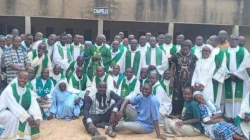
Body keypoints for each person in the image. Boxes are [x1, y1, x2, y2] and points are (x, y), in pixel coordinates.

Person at [0, 71, 42, 140]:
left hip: (16, 112)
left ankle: (23, 137)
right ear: (17, 78)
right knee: (17, 117)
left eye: (25, 78)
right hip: (3, 113)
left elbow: (34, 105)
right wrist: (27, 117)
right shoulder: (9, 89)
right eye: (20, 78)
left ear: (28, 80)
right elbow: (13, 106)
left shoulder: (28, 91)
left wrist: (37, 118)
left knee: (29, 117)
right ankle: (8, 138)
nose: (22, 80)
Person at [224, 34, 249, 119]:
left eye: (235, 39)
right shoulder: (224, 51)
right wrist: (229, 75)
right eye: (232, 39)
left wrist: (237, 74)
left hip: (240, 79)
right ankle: (229, 116)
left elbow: (245, 64)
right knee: (228, 97)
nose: (233, 41)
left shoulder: (244, 51)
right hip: (228, 78)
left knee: (239, 98)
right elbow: (223, 65)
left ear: (237, 41)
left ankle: (238, 117)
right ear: (229, 41)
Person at [170, 40, 198, 115]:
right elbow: (172, 68)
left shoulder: (193, 57)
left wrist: (194, 81)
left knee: (187, 96)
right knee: (177, 97)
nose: (185, 51)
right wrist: (171, 81)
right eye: (183, 49)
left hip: (189, 80)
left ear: (189, 49)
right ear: (181, 48)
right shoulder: (175, 56)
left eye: (187, 49)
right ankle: (176, 113)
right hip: (177, 80)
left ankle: (186, 114)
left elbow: (196, 70)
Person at [207, 36, 228, 107]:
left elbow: (223, 66)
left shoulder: (221, 52)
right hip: (205, 79)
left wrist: (215, 77)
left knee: (215, 96)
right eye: (209, 40)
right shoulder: (205, 51)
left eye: (211, 40)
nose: (209, 41)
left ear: (217, 42)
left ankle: (215, 113)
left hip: (215, 79)